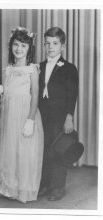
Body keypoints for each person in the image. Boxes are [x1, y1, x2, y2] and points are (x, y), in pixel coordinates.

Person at [0, 27, 44, 203]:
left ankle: (23, 189)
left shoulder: (32, 69)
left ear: (29, 49)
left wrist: (30, 120)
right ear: (11, 46)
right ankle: (8, 187)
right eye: (16, 45)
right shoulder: (8, 70)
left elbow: (35, 94)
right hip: (9, 114)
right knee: (9, 149)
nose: (19, 49)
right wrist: (0, 92)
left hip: (25, 113)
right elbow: (8, 93)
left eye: (23, 46)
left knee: (25, 151)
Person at [38, 27, 78, 201]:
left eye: (55, 43)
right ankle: (45, 184)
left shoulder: (69, 68)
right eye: (47, 43)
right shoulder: (38, 67)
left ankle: (57, 187)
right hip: (42, 115)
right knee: (43, 149)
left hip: (59, 116)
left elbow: (72, 95)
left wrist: (69, 117)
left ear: (62, 46)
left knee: (57, 150)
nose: (50, 47)